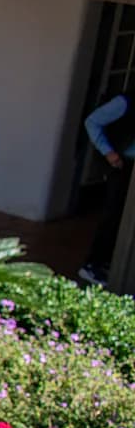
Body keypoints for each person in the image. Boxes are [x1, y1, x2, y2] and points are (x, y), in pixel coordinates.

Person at [80, 89, 135, 286]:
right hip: (121, 164)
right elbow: (92, 122)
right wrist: (109, 152)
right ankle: (92, 264)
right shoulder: (125, 102)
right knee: (113, 214)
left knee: (122, 219)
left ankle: (107, 262)